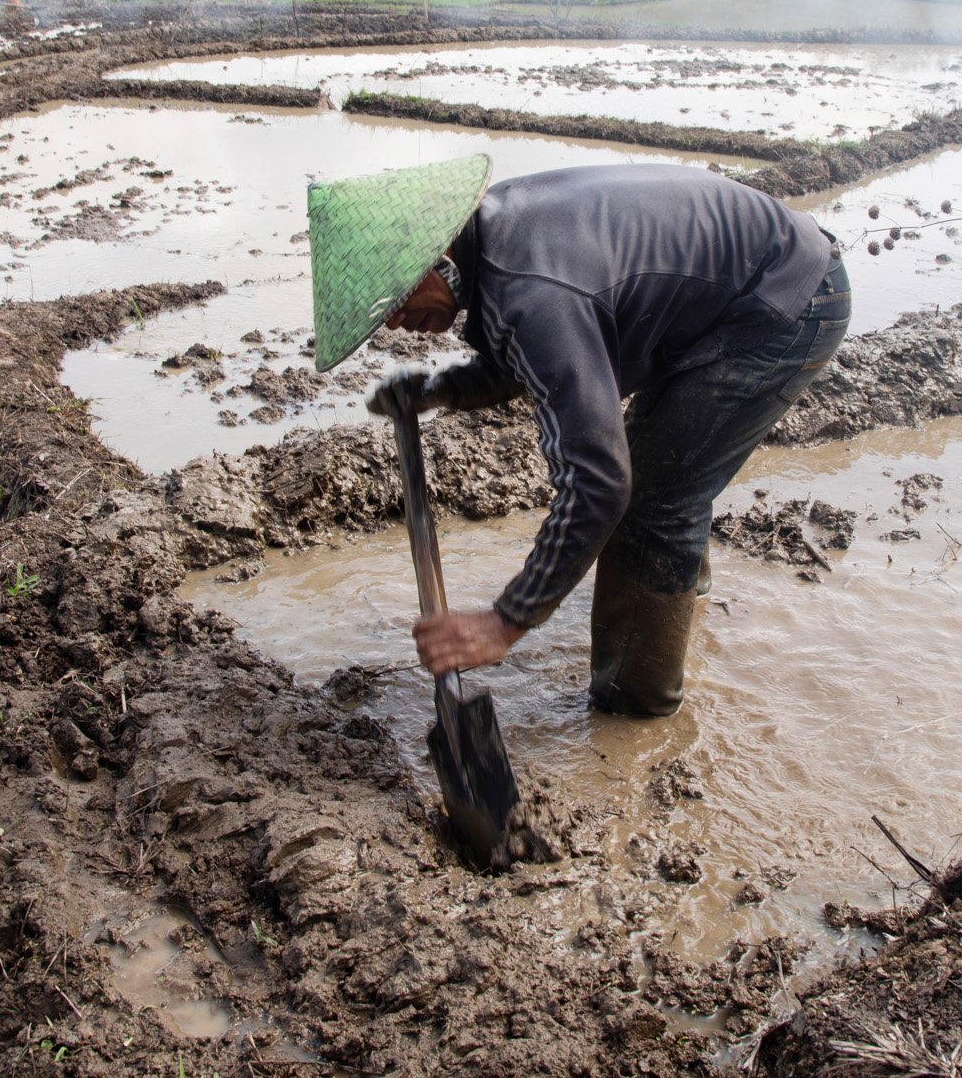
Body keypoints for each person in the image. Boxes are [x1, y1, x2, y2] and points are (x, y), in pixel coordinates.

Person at [304, 154, 851, 715]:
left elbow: (598, 484)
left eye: (391, 302)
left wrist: (505, 620)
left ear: (432, 262)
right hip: (737, 283)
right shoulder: (495, 239)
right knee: (662, 469)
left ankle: (636, 705)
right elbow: (522, 355)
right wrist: (442, 390)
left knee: (652, 505)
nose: (391, 322)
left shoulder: (532, 290)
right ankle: (675, 592)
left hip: (786, 301)